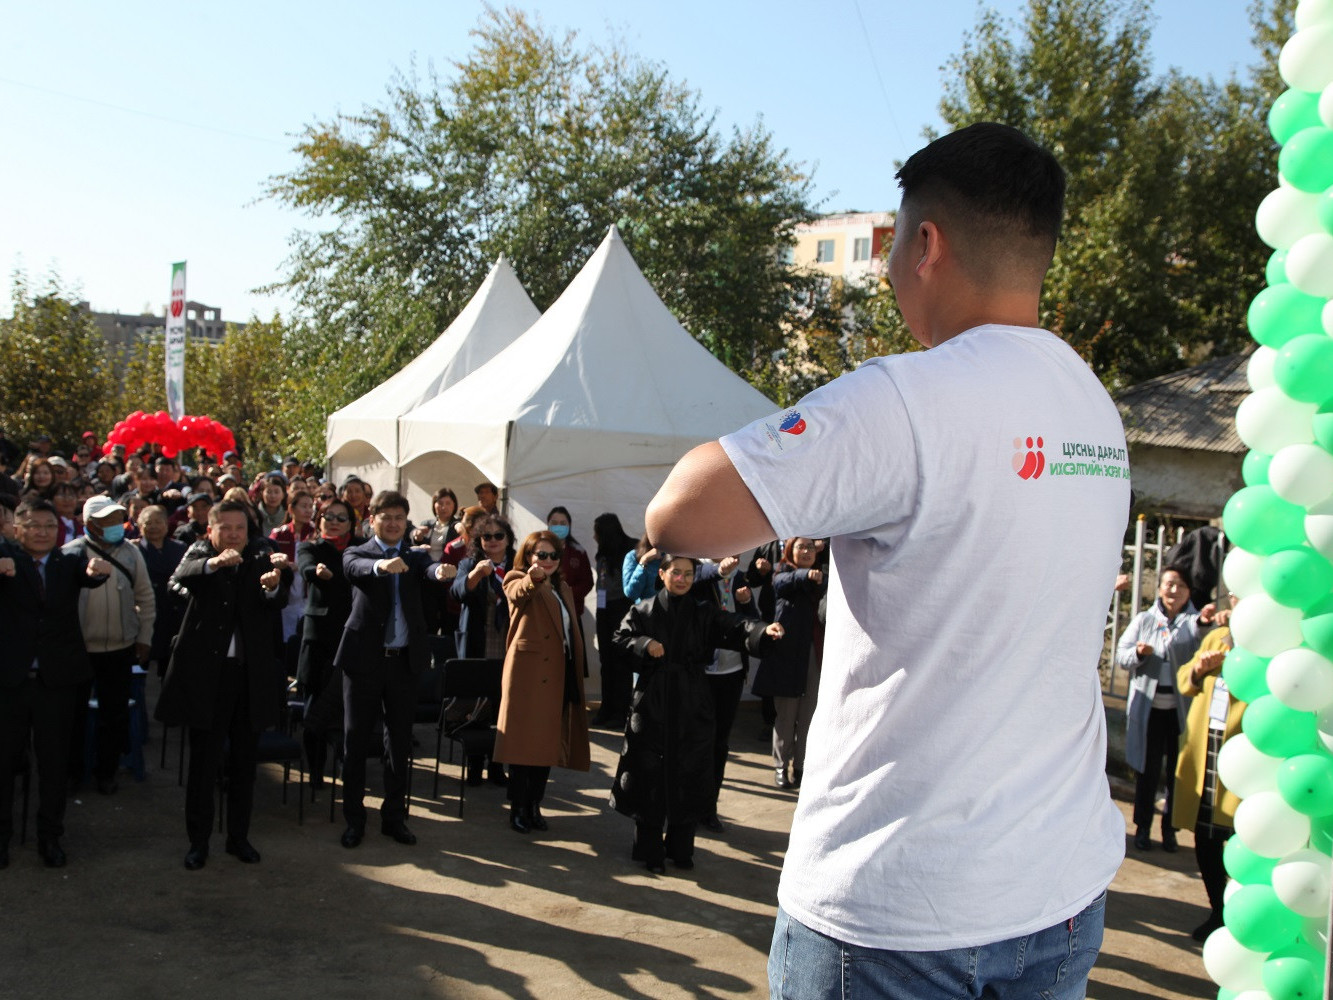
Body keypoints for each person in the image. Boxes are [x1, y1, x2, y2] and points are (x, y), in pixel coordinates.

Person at [642, 124, 1130, 997]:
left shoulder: (906, 397)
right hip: (1057, 891)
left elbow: (677, 516)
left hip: (897, 912)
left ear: (926, 244)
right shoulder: (1090, 405)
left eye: (893, 240)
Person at [611, 554, 783, 873]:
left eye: (688, 574)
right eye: (676, 572)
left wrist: (762, 631)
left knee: (688, 772)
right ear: (662, 574)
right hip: (654, 700)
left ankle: (681, 849)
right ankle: (649, 850)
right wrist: (645, 644)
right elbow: (619, 639)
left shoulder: (703, 612)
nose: (682, 579)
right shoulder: (643, 609)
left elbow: (734, 626)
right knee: (650, 773)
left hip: (692, 699)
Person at [154, 500, 291, 871]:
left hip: (247, 677)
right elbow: (182, 577)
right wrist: (214, 564)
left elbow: (278, 597)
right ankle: (198, 842)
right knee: (204, 763)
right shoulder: (200, 557)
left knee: (244, 764)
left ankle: (238, 837)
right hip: (206, 679)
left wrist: (273, 585)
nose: (233, 535)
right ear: (210, 532)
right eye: (226, 529)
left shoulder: (262, 556)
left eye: (240, 529)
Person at [334, 490, 457, 850]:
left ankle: (394, 817)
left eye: (399, 518)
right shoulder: (358, 552)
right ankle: (354, 819)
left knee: (399, 742)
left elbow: (429, 569)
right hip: (364, 663)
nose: (392, 523)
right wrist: (380, 567)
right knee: (356, 741)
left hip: (404, 662)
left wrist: (441, 571)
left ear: (406, 523)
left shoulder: (413, 556)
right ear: (372, 520)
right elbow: (354, 569)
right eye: (385, 517)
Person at [0, 500, 111, 869]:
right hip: (10, 681)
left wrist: (97, 570)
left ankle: (50, 838)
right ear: (17, 529)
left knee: (53, 764)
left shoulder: (68, 562)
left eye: (49, 525)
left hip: (56, 683)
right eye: (33, 525)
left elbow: (91, 574)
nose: (42, 532)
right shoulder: (6, 560)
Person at [494, 530, 591, 834]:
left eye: (553, 556)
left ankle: (534, 806)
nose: (547, 561)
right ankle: (518, 809)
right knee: (524, 749)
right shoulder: (517, 577)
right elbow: (515, 593)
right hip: (529, 676)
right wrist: (532, 578)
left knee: (545, 748)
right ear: (529, 556)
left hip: (557, 677)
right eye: (541, 555)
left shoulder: (562, 586)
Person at [1115, 564, 1214, 852]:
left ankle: (1170, 831)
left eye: (1181, 586)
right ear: (1159, 588)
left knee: (1177, 773)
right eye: (1169, 584)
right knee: (1146, 771)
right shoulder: (1145, 620)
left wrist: (1206, 625)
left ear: (1188, 592)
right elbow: (1122, 654)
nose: (1174, 591)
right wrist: (1138, 654)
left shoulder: (1196, 623)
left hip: (1181, 714)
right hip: (1148, 711)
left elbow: (1203, 641)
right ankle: (1143, 828)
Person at [63, 496, 156, 794]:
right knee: (74, 715)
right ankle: (75, 772)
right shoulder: (71, 554)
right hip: (79, 650)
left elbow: (145, 597)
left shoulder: (130, 553)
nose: (115, 525)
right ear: (89, 524)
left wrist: (144, 637)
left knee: (113, 714)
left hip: (119, 647)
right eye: (106, 521)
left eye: (118, 519)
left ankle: (107, 771)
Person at [1173, 596, 1242, 942]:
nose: (1233, 600)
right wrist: (1201, 668)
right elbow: (1184, 677)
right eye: (1232, 595)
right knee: (1205, 838)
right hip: (1205, 751)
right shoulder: (1217, 636)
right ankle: (1218, 909)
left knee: (1240, 838)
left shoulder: (1269, 647)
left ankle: (1243, 911)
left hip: (1242, 757)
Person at [690, 555, 759, 832]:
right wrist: (717, 570)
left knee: (719, 744)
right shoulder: (697, 570)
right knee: (695, 741)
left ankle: (709, 807)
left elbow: (752, 622)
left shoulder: (740, 578)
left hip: (730, 675)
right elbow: (697, 576)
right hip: (700, 675)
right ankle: (686, 804)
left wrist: (746, 603)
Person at [751, 537, 826, 791]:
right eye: (800, 547)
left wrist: (815, 577)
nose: (806, 551)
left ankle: (802, 766)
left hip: (813, 654)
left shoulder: (823, 577)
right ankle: (781, 767)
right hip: (786, 654)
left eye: (809, 547)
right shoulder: (784, 573)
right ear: (790, 551)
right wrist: (805, 575)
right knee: (786, 716)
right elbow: (781, 582)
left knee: (808, 716)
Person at [450, 513, 517, 786]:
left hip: (507, 643)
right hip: (479, 641)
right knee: (477, 706)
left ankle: (498, 765)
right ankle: (474, 765)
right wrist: (477, 574)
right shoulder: (469, 563)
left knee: (503, 706)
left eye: (498, 536)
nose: (492, 541)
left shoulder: (518, 564)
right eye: (486, 536)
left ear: (508, 539)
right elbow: (456, 592)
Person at [295, 498, 356, 786]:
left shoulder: (358, 549)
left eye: (340, 518)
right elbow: (306, 567)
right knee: (314, 706)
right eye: (328, 516)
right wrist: (316, 573)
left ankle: (348, 766)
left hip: (350, 637)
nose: (333, 521)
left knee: (348, 707)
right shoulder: (311, 547)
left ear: (351, 523)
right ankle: (316, 770)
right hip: (318, 639)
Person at [591, 513, 636, 728]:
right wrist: (601, 611)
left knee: (621, 664)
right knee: (606, 662)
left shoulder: (629, 552)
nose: (594, 536)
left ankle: (621, 711)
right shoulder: (603, 555)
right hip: (604, 611)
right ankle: (606, 708)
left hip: (622, 610)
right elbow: (601, 587)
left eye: (597, 532)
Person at [135, 505, 187, 678]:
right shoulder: (133, 551)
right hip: (146, 615)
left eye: (159, 522)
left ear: (166, 524)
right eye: (149, 523)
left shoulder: (180, 548)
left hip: (173, 614)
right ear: (140, 525)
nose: (154, 527)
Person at [545, 506, 594, 610]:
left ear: (569, 526)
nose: (558, 526)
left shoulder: (578, 552)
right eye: (554, 523)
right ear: (548, 524)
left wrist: (568, 594)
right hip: (544, 610)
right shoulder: (537, 550)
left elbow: (587, 582)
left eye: (563, 523)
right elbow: (529, 580)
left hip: (571, 610)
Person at [410, 487, 460, 560]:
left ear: (454, 505)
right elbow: (415, 544)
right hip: (425, 564)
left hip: (447, 565)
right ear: (434, 505)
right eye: (440, 503)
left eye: (448, 503)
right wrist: (417, 539)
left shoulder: (457, 526)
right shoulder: (426, 524)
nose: (443, 507)